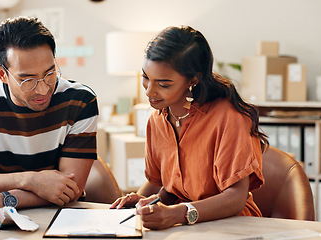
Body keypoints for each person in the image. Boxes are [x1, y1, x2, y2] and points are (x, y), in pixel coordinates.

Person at [110, 26, 268, 230]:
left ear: (193, 79)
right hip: (184, 227)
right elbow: (163, 186)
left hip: (234, 226)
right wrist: (142, 203)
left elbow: (236, 198)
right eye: (146, 77)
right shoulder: (156, 120)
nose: (150, 91)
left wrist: (177, 213)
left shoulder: (229, 117)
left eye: (164, 84)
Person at [0, 16, 98, 216]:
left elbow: (70, 190)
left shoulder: (80, 101)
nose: (43, 89)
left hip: (60, 215)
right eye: (27, 79)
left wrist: (5, 199)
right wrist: (30, 180)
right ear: (2, 74)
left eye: (50, 73)